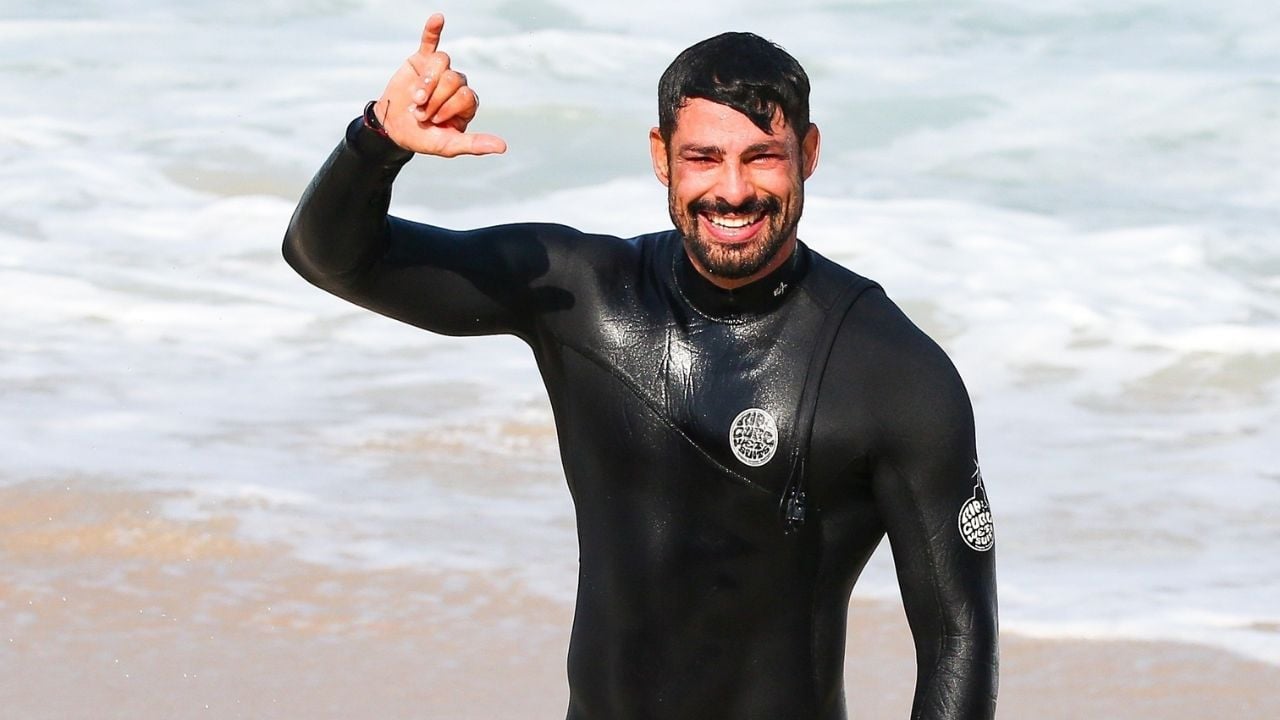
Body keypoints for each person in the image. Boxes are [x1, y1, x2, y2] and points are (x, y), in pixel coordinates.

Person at [284, 13, 998, 720]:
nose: (733, 190)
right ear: (661, 155)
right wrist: (375, 141)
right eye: (703, 157)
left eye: (762, 156)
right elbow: (329, 258)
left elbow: (957, 641)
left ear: (808, 152)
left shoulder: (893, 373)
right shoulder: (583, 295)